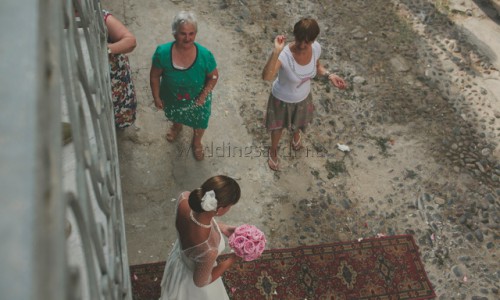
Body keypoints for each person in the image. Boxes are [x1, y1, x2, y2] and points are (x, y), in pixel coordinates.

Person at [262, 17, 347, 171]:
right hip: (281, 99)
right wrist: (276, 52)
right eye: (299, 39)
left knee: (299, 123)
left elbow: (317, 67)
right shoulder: (284, 55)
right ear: (295, 35)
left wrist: (329, 75)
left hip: (303, 97)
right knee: (277, 128)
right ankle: (273, 151)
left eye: (307, 42)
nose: (302, 45)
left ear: (314, 40)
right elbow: (267, 77)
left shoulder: (316, 49)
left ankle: (295, 136)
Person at [150, 11, 219, 161]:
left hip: (198, 100)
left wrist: (203, 96)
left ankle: (196, 142)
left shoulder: (205, 55)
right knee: (176, 114)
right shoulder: (162, 53)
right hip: (172, 97)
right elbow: (155, 76)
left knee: (200, 122)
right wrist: (156, 96)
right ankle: (177, 126)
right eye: (183, 34)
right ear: (174, 34)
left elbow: (213, 77)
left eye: (191, 33)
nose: (188, 38)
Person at [159, 175, 242, 299]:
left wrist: (222, 227)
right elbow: (200, 282)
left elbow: (196, 224)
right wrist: (233, 258)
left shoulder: (184, 199)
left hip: (179, 260)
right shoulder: (209, 250)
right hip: (192, 278)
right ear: (219, 209)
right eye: (230, 206)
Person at [104, 10, 138, 129]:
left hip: (115, 80)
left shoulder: (100, 16)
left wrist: (105, 50)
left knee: (120, 111)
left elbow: (130, 42)